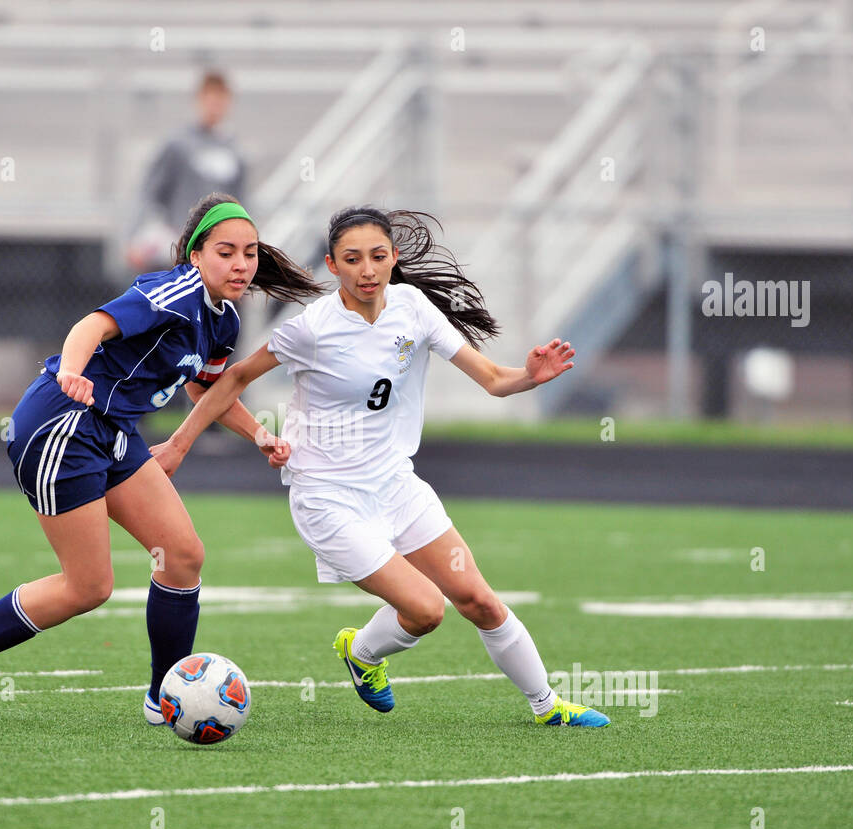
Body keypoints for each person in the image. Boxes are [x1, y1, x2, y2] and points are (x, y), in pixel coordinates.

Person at [151, 205, 610, 727]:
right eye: (352, 259)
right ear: (332, 265)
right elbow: (230, 381)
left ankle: (547, 706)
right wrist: (181, 443)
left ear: (393, 258)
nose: (367, 270)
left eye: (377, 256)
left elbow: (491, 378)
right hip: (328, 498)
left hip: (396, 486)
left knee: (477, 599)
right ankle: (364, 654)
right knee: (426, 610)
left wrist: (529, 376)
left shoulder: (413, 307)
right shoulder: (312, 328)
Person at [0, 193, 318, 725]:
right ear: (196, 255)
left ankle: (165, 696)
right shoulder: (174, 289)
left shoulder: (222, 319)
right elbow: (91, 326)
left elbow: (206, 390)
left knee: (181, 555)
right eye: (226, 251)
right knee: (89, 587)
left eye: (249, 252)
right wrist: (72, 372)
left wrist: (259, 436)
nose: (241, 264)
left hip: (111, 431)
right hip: (61, 424)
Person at [126, 72, 248, 273]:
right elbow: (150, 192)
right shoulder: (178, 145)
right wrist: (135, 236)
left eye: (221, 100)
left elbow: (241, 203)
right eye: (211, 99)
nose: (215, 106)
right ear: (199, 100)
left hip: (219, 249)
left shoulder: (235, 152)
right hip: (182, 246)